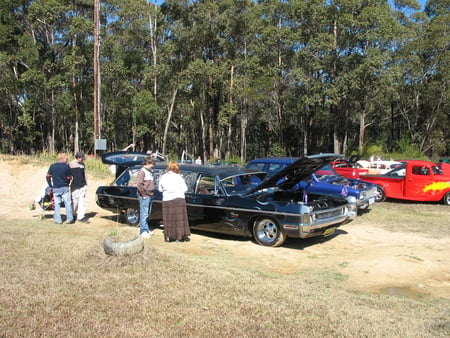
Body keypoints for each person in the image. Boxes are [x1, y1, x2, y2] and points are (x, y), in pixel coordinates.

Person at [158, 161, 190, 242]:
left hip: (167, 200)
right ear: (176, 168)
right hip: (179, 199)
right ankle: (179, 237)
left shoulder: (163, 177)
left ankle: (169, 236)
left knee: (168, 218)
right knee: (179, 219)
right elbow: (185, 189)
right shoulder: (179, 177)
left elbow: (160, 189)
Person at [46, 152, 74, 224]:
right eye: (66, 158)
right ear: (64, 158)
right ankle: (69, 219)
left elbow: (48, 176)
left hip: (56, 188)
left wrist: (50, 185)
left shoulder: (52, 166)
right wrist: (67, 184)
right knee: (67, 203)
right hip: (65, 187)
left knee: (57, 204)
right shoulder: (66, 166)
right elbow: (70, 177)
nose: (67, 160)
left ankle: (58, 220)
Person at [136, 157, 155, 238]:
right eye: (151, 164)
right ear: (147, 163)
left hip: (150, 195)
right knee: (144, 213)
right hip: (145, 195)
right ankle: (143, 231)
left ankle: (146, 229)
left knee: (147, 213)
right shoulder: (142, 172)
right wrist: (143, 194)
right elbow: (139, 184)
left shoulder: (149, 172)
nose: (152, 166)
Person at [70, 152, 89, 223]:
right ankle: (72, 214)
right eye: (82, 158)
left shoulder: (83, 164)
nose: (83, 160)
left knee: (82, 201)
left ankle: (81, 217)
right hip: (75, 186)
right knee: (75, 201)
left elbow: (84, 174)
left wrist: (86, 184)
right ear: (78, 157)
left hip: (82, 185)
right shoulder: (71, 164)